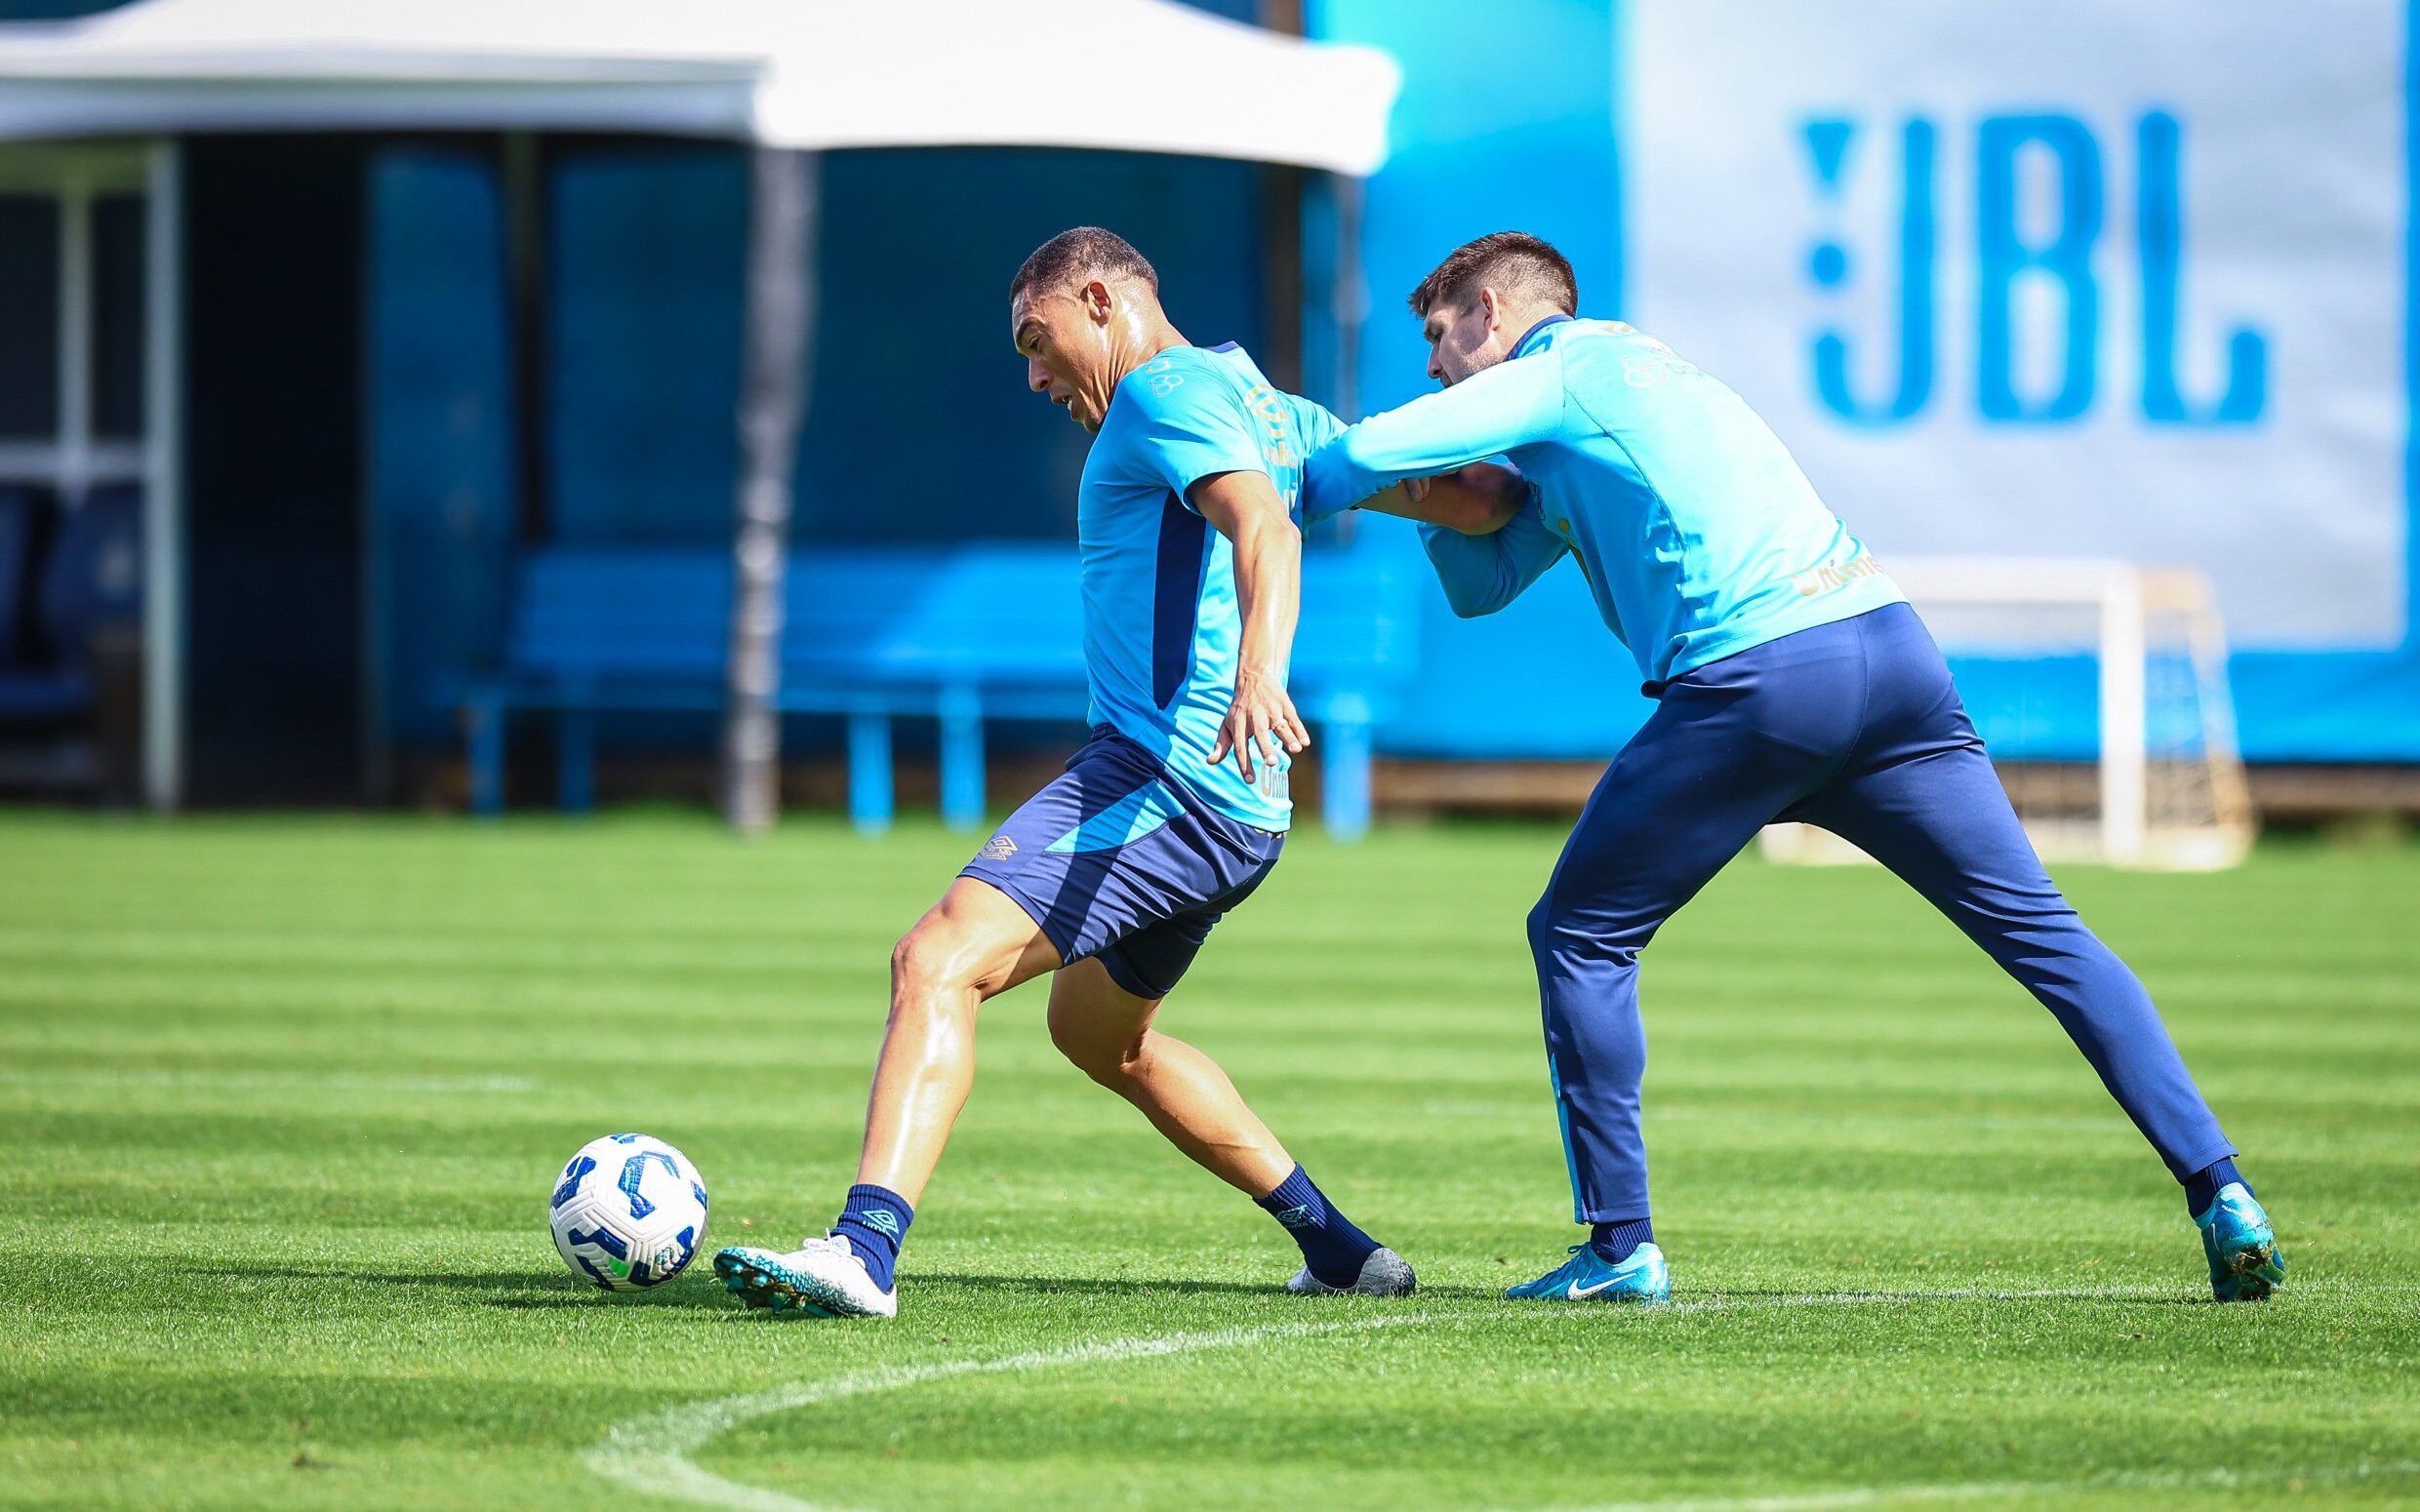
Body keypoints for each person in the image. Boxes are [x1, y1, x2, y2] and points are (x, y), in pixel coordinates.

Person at [1303, 231, 2285, 1305]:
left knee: (1578, 933)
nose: (1435, 369)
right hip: (1886, 651)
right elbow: (1481, 580)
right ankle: (2221, 1189)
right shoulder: (1627, 382)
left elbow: (1353, 457)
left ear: (1489, 311)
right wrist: (1423, 496)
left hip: (1760, 679)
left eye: (1440, 342)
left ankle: (1622, 1247)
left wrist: (1286, 454)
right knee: (2045, 935)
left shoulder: (1557, 374)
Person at [713, 226, 1482, 1318]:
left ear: (1098, 299)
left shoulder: (1161, 393)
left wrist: (1259, 672)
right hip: (1231, 809)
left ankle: (861, 1251)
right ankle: (1340, 1248)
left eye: (1037, 340)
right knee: (1096, 1037)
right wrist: (1544, 481)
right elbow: (1462, 498)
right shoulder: (1259, 403)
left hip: (1168, 777)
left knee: (934, 958)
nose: (1031, 375)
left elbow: (1263, 522)